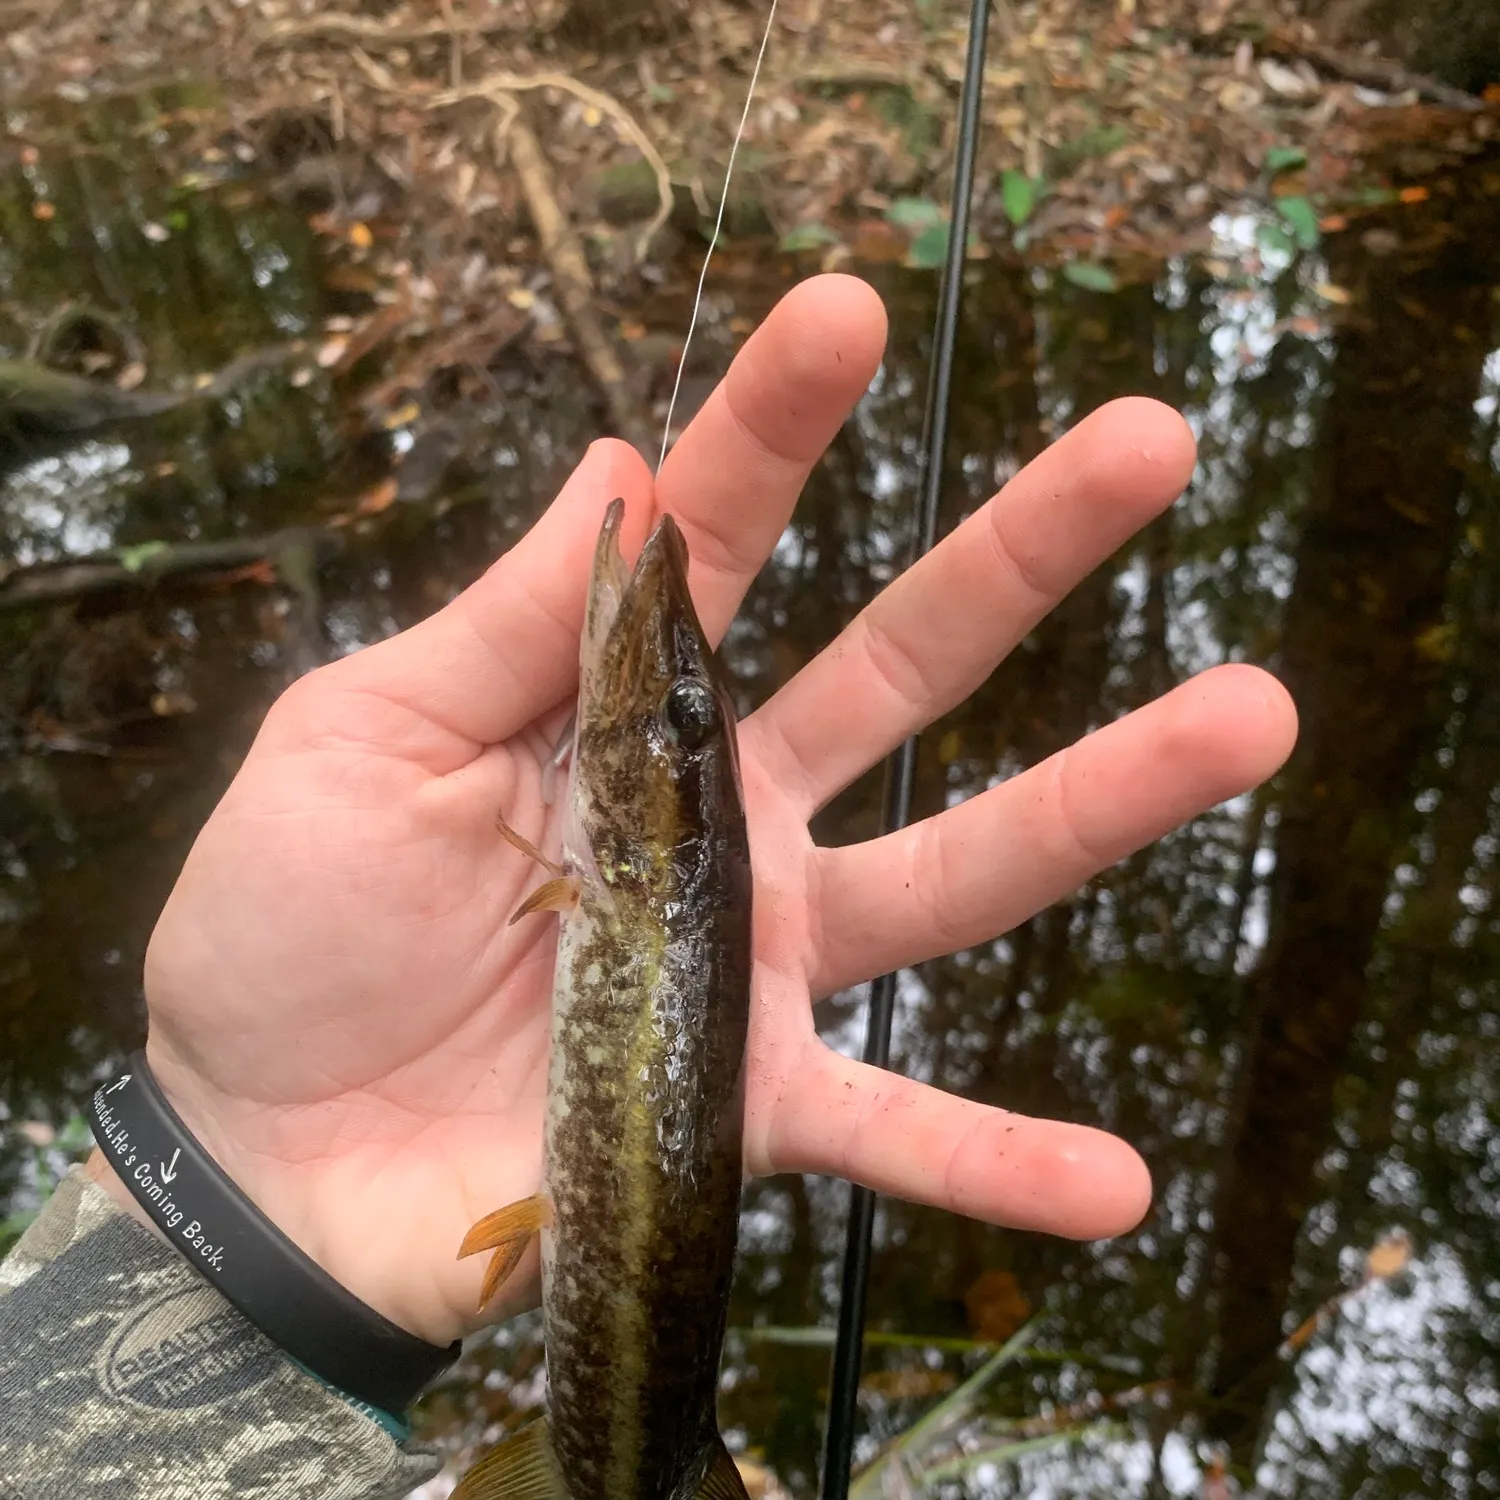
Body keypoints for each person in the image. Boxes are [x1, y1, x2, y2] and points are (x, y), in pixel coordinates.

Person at [0, 275, 1296, 1498]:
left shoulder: (624, 859)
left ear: (634, 846)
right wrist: (236, 1182)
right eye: (696, 714)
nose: (671, 702)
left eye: (678, 718)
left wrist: (214, 1214)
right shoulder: (611, 860)